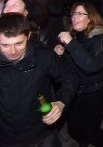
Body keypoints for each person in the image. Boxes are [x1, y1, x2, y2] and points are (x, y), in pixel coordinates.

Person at [0, 13, 78, 146]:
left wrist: (61, 102)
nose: (12, 51)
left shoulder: (44, 56)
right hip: (6, 137)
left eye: (18, 43)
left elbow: (70, 77)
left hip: (42, 134)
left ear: (28, 36)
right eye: (5, 45)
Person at [54, 2, 103, 147]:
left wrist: (70, 44)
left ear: (90, 18)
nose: (74, 17)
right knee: (73, 130)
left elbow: (91, 66)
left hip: (95, 92)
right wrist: (61, 52)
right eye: (73, 13)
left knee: (91, 131)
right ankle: (84, 142)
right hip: (76, 90)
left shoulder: (99, 38)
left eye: (80, 14)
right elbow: (71, 65)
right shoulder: (75, 35)